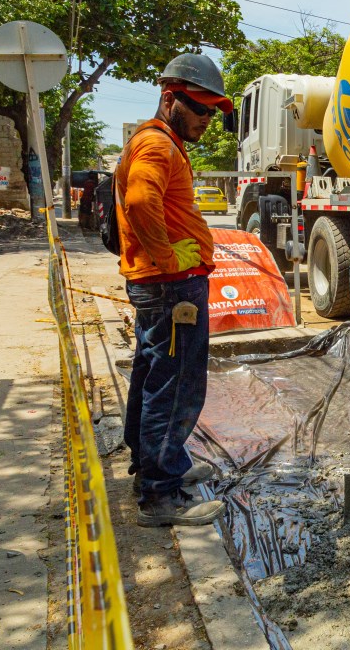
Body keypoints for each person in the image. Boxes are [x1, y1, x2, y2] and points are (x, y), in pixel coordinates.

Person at [116, 52, 233, 527]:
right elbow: (140, 200)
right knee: (176, 385)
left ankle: (154, 465)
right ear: (170, 99)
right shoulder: (158, 145)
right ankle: (160, 494)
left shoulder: (159, 142)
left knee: (152, 375)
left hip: (163, 287)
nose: (206, 119)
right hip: (171, 288)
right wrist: (167, 259)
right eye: (199, 108)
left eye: (212, 112)